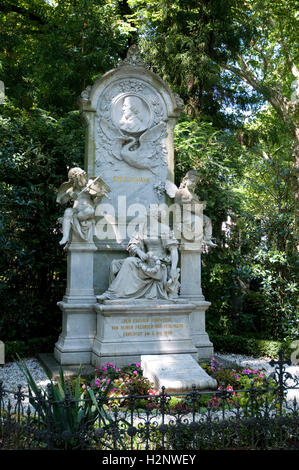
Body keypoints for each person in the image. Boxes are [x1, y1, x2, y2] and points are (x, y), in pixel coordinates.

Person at [98, 207, 180, 301]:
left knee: (129, 262)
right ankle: (115, 293)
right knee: (116, 264)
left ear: (155, 216)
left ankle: (111, 294)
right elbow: (133, 244)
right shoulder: (143, 227)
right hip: (145, 262)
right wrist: (139, 252)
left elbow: (173, 250)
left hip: (159, 265)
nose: (147, 215)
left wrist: (173, 269)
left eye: (149, 214)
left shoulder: (163, 229)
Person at [57, 167, 110, 245]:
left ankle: (74, 219)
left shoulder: (90, 186)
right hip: (76, 209)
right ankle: (65, 237)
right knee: (67, 211)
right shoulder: (72, 189)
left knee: (90, 210)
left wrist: (99, 196)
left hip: (86, 210)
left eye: (81, 177)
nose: (80, 180)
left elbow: (95, 202)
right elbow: (62, 201)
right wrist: (69, 195)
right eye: (77, 179)